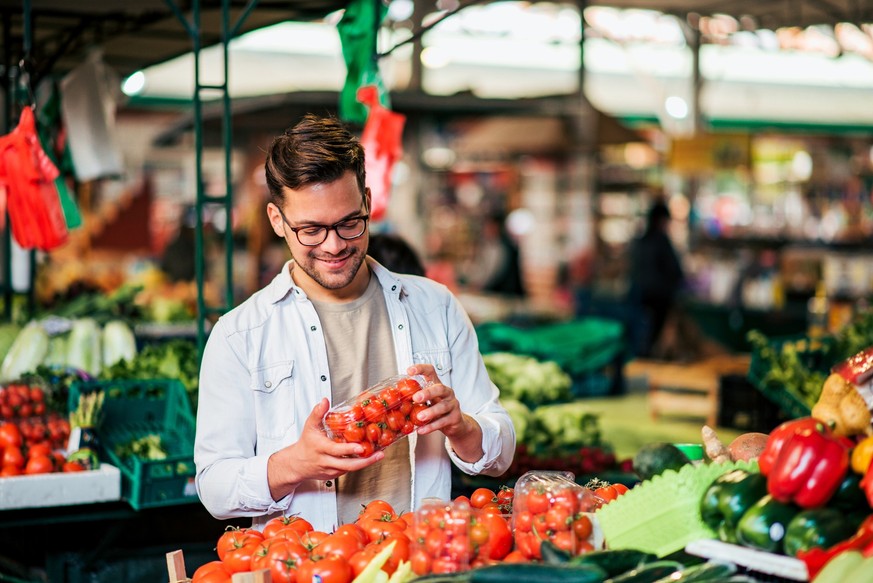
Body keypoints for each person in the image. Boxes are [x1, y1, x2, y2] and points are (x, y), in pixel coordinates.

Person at [194, 113, 515, 533]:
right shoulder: (240, 335)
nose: (334, 245)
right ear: (277, 221)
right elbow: (214, 487)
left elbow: (501, 448)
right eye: (311, 229)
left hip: (417, 559)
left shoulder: (434, 306)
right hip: (309, 566)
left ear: (366, 200)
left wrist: (462, 426)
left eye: (349, 222)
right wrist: (294, 464)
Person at [628, 200, 684, 358]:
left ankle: (643, 357)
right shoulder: (661, 241)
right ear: (661, 220)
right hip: (659, 297)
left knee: (643, 334)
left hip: (640, 295)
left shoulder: (641, 242)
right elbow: (676, 270)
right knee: (654, 335)